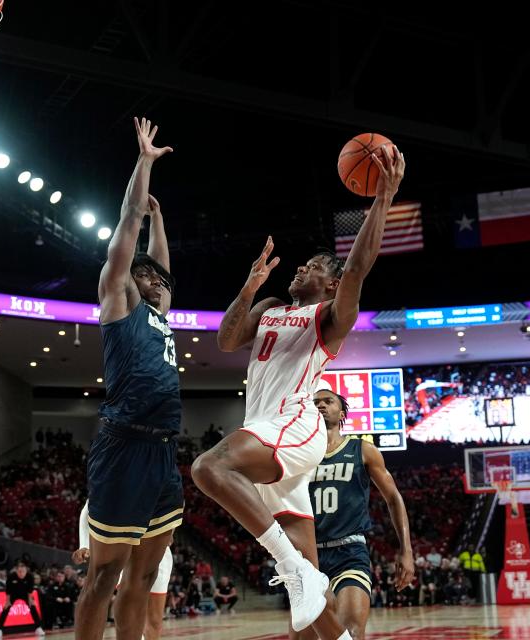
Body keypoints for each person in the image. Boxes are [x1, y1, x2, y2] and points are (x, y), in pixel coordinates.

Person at [192, 144, 405, 638]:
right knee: (310, 606)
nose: (302, 269)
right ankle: (315, 598)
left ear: (330, 287)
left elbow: (357, 269)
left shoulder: (328, 319)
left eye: (314, 267)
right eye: (304, 264)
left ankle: (290, 566)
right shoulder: (269, 306)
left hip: (293, 427)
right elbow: (226, 340)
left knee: (209, 466)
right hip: (267, 435)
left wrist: (383, 198)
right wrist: (249, 285)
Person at [74, 117, 182, 640]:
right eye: (149, 276)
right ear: (131, 279)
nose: (159, 281)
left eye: (162, 280)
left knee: (145, 575)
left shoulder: (160, 309)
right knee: (103, 576)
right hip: (123, 445)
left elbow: (161, 266)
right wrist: (144, 167)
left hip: (163, 451)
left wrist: (161, 221)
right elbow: (127, 225)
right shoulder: (118, 298)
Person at [297, 389, 413, 639]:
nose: (321, 406)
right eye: (315, 402)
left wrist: (406, 550)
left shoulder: (363, 449)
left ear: (341, 413)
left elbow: (393, 498)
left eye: (328, 401)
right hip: (308, 558)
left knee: (351, 631)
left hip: (348, 553)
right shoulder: (298, 456)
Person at [73, 501, 173, 639]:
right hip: (125, 546)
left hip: (157, 549)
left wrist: (170, 529)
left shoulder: (163, 481)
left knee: (155, 621)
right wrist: (84, 544)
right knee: (128, 606)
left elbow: (173, 500)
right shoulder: (115, 480)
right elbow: (89, 507)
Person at [0, 562, 44, 638]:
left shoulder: (30, 576)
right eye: (19, 572)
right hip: (14, 593)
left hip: (25, 594)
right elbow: (8, 590)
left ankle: (38, 627)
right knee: (5, 608)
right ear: (16, 571)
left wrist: (31, 601)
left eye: (23, 571)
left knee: (33, 607)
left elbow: (30, 590)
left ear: (26, 570)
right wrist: (7, 601)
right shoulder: (11, 576)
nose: (21, 573)